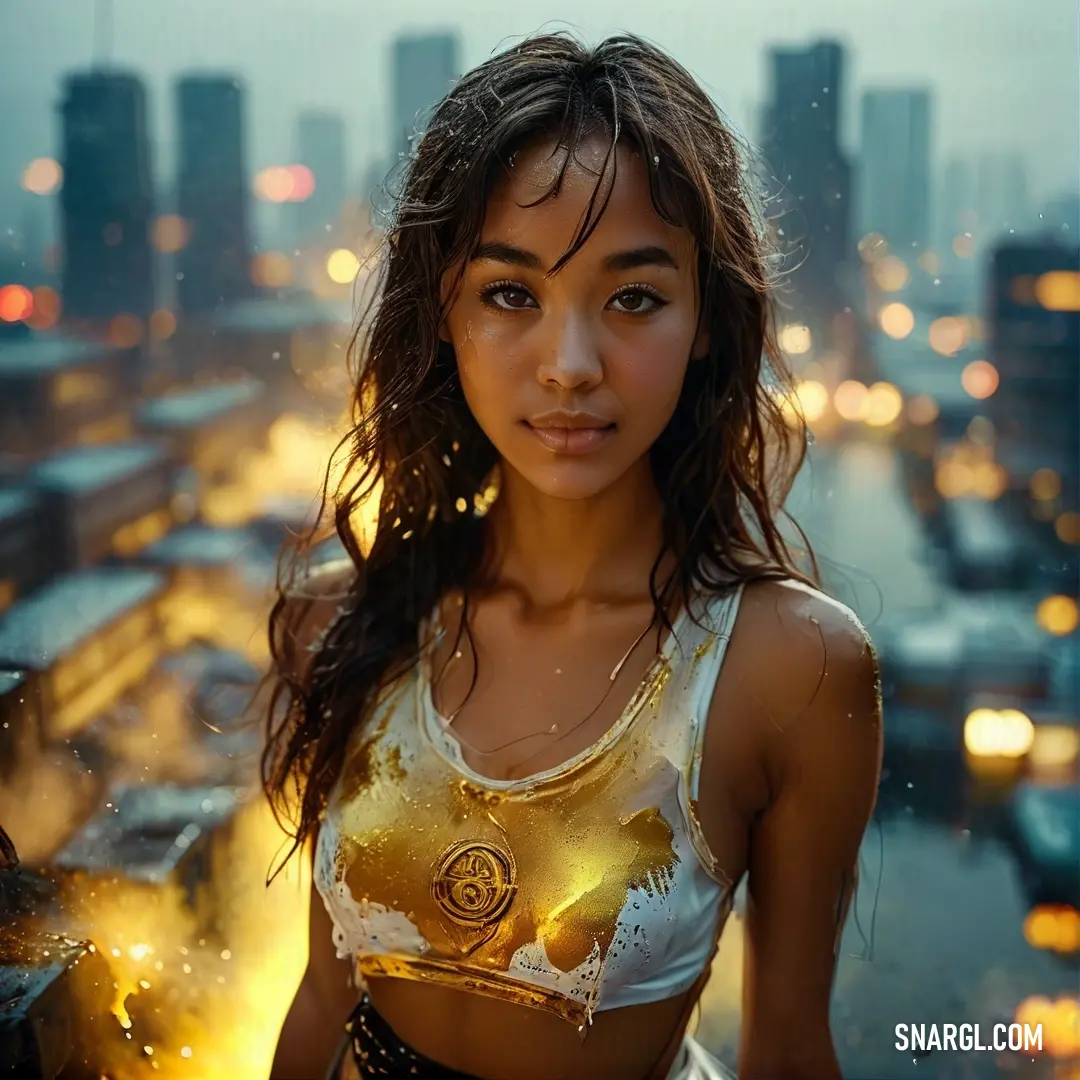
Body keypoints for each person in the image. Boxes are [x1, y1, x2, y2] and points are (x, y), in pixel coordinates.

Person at [265, 30, 882, 1080]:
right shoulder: (357, 619)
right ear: (444, 314)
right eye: (511, 294)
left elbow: (786, 1048)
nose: (570, 366)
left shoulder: (791, 669)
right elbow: (323, 998)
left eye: (633, 297)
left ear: (703, 322)